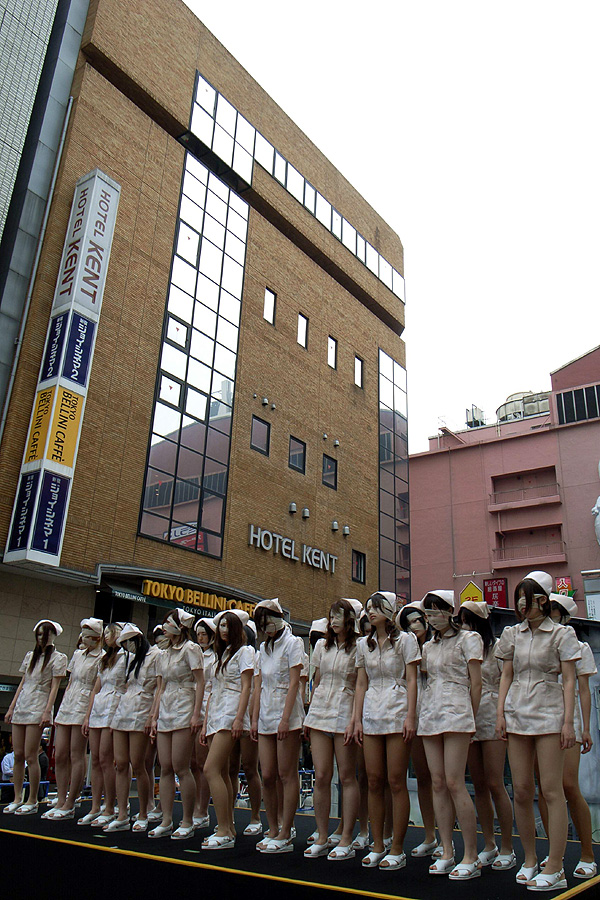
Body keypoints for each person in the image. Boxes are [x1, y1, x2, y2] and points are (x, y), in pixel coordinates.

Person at [495, 571, 580, 891]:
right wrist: (500, 714)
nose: (521, 603)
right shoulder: (511, 634)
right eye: (518, 597)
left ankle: (556, 866)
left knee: (551, 790)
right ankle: (530, 858)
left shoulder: (561, 634)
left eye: (527, 597)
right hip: (517, 714)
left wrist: (568, 722)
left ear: (543, 600)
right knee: (520, 789)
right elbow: (506, 675)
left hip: (549, 715)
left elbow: (569, 680)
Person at [418, 590, 483, 880]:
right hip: (430, 711)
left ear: (449, 611)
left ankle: (471, 855)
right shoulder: (428, 646)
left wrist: (472, 718)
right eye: (428, 613)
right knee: (438, 782)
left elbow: (476, 683)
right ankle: (446, 850)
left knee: (455, 782)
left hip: (457, 712)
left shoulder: (469, 639)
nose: (432, 617)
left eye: (436, 611)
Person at [353, 591, 420, 870]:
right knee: (373, 780)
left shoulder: (406, 640)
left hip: (397, 711)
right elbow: (361, 683)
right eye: (369, 607)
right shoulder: (363, 644)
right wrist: (356, 719)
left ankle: (397, 848)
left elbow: (412, 680)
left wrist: (411, 716)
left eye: (377, 607)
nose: (371, 612)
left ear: (391, 611)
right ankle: (377, 843)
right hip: (371, 713)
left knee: (395, 781)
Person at [536, 593, 597, 881]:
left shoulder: (579, 646)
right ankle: (554, 854)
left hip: (567, 721)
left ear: (565, 616)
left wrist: (584, 728)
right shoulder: (534, 642)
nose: (548, 615)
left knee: (569, 785)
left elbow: (584, 690)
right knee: (543, 788)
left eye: (554, 611)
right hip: (537, 718)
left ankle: (587, 854)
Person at [457, 601, 515, 870]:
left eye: (468, 621)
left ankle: (508, 846)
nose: (464, 626)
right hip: (466, 715)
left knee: (495, 782)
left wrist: (503, 714)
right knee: (478, 784)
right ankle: (489, 843)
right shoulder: (461, 647)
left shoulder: (498, 647)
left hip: (492, 713)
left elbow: (507, 681)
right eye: (462, 621)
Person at [304, 599, 360, 861]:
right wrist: (309, 716)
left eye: (339, 616)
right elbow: (317, 681)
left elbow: (361, 685)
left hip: (345, 710)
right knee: (322, 775)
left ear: (350, 619)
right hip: (320, 712)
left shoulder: (360, 647)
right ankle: (322, 835)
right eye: (331, 616)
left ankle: (346, 837)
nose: (333, 621)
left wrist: (355, 720)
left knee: (347, 776)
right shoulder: (321, 646)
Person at [251, 598, 304, 854]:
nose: (265, 628)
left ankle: (286, 830)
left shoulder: (294, 643)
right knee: (268, 774)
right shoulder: (263, 648)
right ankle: (272, 827)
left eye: (267, 621)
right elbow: (259, 685)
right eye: (261, 624)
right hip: (265, 715)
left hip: (287, 715)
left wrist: (285, 718)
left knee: (286, 773)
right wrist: (254, 718)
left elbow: (294, 683)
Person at [148, 608, 204, 839]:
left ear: (180, 627)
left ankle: (188, 820)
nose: (165, 628)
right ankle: (166, 819)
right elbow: (160, 688)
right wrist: (154, 716)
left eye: (169, 623)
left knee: (181, 766)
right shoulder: (163, 654)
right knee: (165, 767)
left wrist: (196, 714)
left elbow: (200, 682)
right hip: (166, 709)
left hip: (184, 706)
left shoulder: (191, 649)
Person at [201, 609, 254, 849]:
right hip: (215, 714)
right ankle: (228, 827)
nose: (223, 630)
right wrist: (205, 724)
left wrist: (239, 718)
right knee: (221, 772)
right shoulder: (221, 655)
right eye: (220, 626)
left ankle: (223, 829)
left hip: (230, 713)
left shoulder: (245, 652)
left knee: (210, 769)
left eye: (227, 625)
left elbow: (246, 687)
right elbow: (213, 690)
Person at [43, 618, 103, 820]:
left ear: (97, 637)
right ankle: (60, 799)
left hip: (84, 703)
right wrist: (62, 705)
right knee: (60, 753)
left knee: (76, 754)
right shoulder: (77, 654)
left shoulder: (102, 657)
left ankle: (71, 801)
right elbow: (69, 682)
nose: (84, 639)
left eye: (88, 636)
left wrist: (88, 715)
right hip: (68, 702)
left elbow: (96, 688)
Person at [4, 620, 67, 815]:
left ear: (53, 636)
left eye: (44, 634)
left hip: (38, 706)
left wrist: (47, 711)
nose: (41, 638)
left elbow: (54, 687)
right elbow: (23, 683)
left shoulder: (58, 658)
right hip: (22, 705)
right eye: (38, 634)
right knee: (18, 754)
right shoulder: (30, 656)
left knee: (31, 756)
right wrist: (11, 707)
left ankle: (32, 799)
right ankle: (17, 798)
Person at [108, 623, 163, 832]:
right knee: (121, 763)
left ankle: (143, 812)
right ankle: (122, 813)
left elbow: (159, 688)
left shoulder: (156, 655)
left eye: (129, 642)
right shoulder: (129, 659)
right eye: (123, 644)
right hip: (123, 710)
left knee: (139, 764)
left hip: (142, 710)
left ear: (138, 639)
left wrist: (152, 716)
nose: (127, 647)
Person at [397, 601, 437, 858]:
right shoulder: (404, 648)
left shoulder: (437, 644)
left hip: (439, 713)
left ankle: (447, 837)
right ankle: (430, 835)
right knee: (423, 777)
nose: (413, 627)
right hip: (413, 713)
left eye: (415, 620)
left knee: (443, 779)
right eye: (407, 624)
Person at [80, 623, 127, 827]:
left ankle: (110, 806)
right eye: (105, 632)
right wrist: (87, 716)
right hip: (98, 708)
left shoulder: (126, 657)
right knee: (96, 759)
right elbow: (95, 688)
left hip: (114, 706)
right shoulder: (105, 659)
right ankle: (95, 806)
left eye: (110, 632)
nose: (107, 636)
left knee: (107, 759)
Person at [228, 621, 263, 837]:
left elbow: (254, 689)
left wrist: (252, 717)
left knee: (250, 768)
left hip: (248, 717)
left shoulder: (254, 656)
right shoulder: (229, 655)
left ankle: (256, 816)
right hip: (231, 714)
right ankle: (228, 816)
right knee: (231, 768)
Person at [191, 617, 216, 829]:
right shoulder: (193, 652)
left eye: (204, 634)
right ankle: (193, 805)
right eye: (198, 634)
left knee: (202, 763)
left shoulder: (215, 657)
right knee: (190, 762)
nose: (200, 638)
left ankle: (203, 808)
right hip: (188, 706)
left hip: (206, 708)